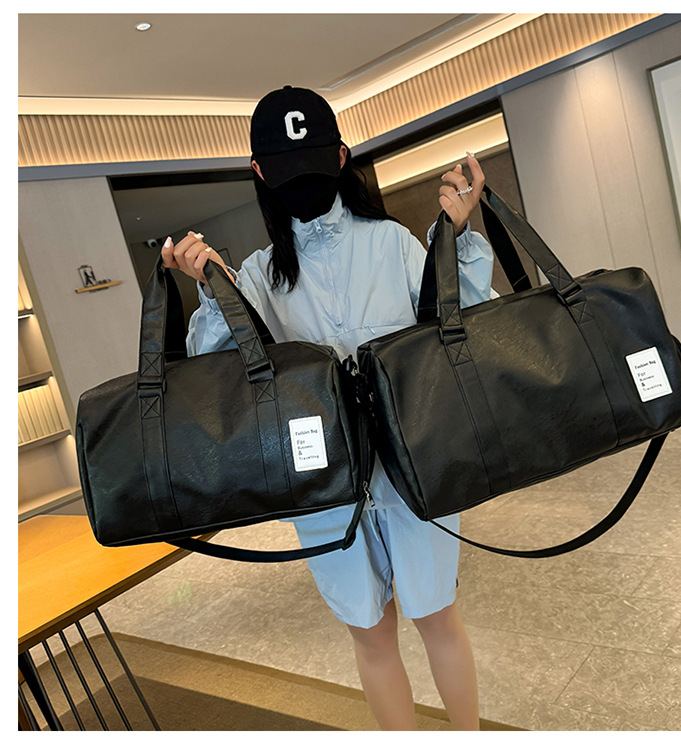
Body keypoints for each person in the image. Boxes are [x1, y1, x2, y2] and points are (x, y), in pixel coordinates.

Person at [162, 86, 496, 731]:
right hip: (320, 483)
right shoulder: (255, 277)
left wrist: (457, 237)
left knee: (436, 617)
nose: (303, 186)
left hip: (414, 465)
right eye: (287, 173)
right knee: (370, 633)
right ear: (260, 172)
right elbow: (212, 372)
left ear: (342, 158)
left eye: (314, 167)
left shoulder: (393, 243)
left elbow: (466, 327)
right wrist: (212, 289)